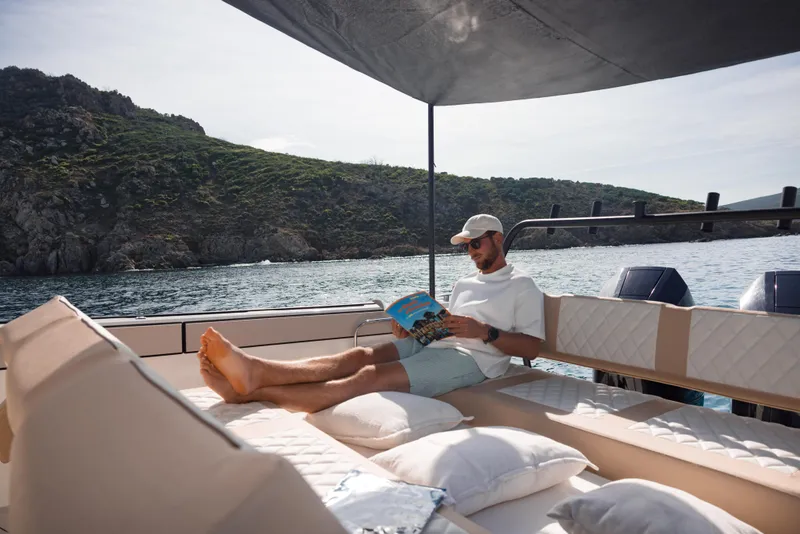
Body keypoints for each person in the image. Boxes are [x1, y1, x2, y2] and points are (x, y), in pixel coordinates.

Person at [197, 214, 545, 413]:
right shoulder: (465, 282)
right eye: (465, 246)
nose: (469, 251)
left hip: (475, 361)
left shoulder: (522, 285)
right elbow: (451, 325)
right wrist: (414, 329)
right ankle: (257, 370)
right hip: (438, 345)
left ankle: (249, 393)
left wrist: (485, 331)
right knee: (358, 355)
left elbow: (532, 349)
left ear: (497, 239)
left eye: (475, 243)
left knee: (368, 377)